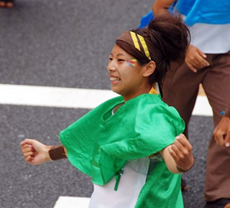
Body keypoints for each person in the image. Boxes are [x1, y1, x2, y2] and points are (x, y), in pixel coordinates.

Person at [21, 16, 194, 208]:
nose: (110, 67)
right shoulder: (119, 106)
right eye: (111, 59)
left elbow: (167, 151)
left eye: (121, 61)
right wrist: (47, 152)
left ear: (148, 68)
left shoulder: (153, 114)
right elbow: (94, 143)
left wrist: (182, 162)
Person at [152, 0, 230, 208]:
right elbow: (160, 8)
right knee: (172, 119)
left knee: (228, 121)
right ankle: (170, 174)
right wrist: (184, 46)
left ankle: (220, 193)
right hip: (181, 55)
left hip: (225, 57)